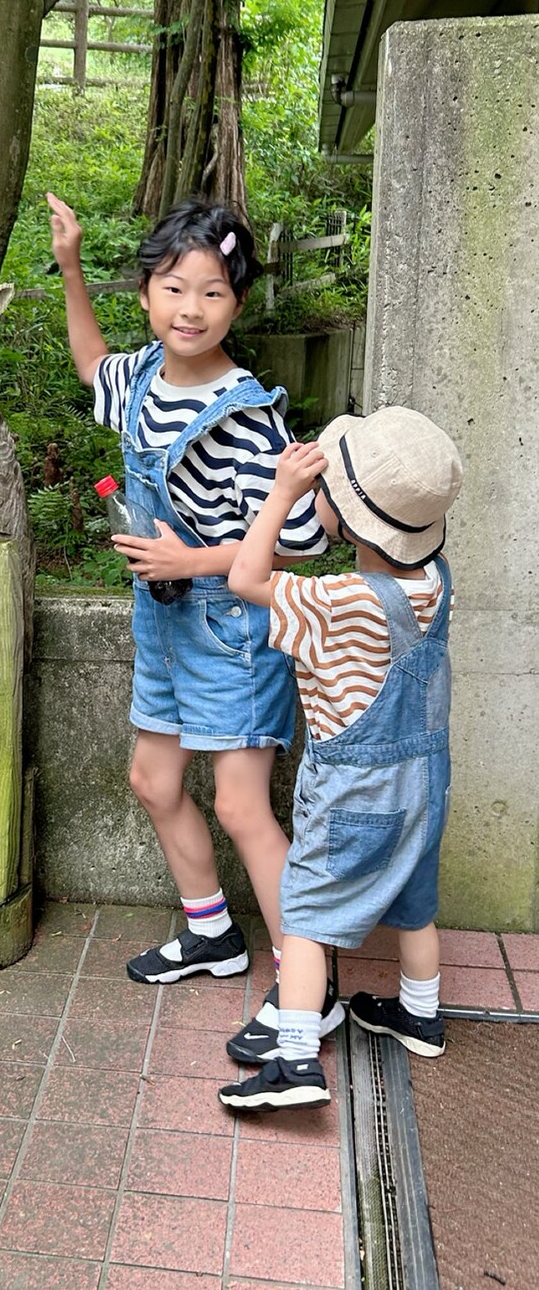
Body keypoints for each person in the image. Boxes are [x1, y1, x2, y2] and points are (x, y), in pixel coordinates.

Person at [47, 191, 341, 1036]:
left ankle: (306, 986)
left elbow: (289, 538)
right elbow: (88, 365)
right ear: (146, 293)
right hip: (162, 625)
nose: (191, 308)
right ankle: (212, 933)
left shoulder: (247, 412)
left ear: (236, 305)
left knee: (244, 806)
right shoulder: (140, 375)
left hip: (231, 630)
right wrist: (69, 266)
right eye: (175, 287)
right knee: (154, 779)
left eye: (213, 292)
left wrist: (189, 560)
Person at [218, 406, 463, 1112]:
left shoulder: (332, 599)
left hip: (353, 789)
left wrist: (280, 495)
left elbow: (244, 576)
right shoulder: (436, 582)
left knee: (307, 914)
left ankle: (294, 1059)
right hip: (424, 778)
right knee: (415, 904)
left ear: (349, 521)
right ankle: (420, 1014)